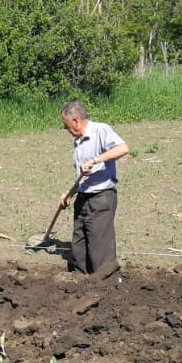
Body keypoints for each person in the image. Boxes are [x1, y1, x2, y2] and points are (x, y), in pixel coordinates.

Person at [58, 101, 129, 278]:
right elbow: (81, 175)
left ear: (75, 120)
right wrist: (69, 193)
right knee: (79, 243)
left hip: (101, 197)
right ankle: (80, 279)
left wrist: (96, 160)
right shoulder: (78, 141)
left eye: (66, 126)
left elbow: (123, 148)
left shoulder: (100, 130)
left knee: (99, 244)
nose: (66, 130)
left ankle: (104, 282)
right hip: (83, 196)